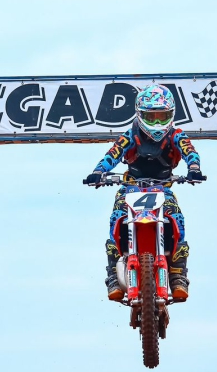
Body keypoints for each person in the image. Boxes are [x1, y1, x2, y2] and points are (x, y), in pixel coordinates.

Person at [86, 84, 203, 301]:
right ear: (140, 115)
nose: (157, 122)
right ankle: (113, 273)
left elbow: (190, 152)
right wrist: (98, 172)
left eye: (162, 116)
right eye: (152, 116)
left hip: (163, 188)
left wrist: (194, 169)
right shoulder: (130, 135)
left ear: (171, 114)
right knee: (116, 217)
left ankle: (178, 273)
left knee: (177, 218)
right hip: (130, 187)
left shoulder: (176, 135)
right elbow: (112, 154)